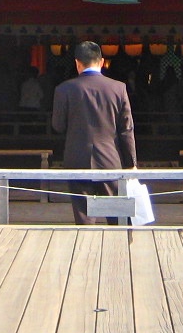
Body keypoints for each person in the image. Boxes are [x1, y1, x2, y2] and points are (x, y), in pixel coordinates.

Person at [51, 40, 137, 224]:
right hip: (109, 159)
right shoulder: (118, 88)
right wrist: (131, 163)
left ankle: (86, 250)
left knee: (84, 219)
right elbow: (126, 129)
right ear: (101, 61)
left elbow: (58, 126)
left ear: (77, 63)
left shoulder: (64, 89)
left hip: (77, 158)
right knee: (117, 216)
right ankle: (118, 251)